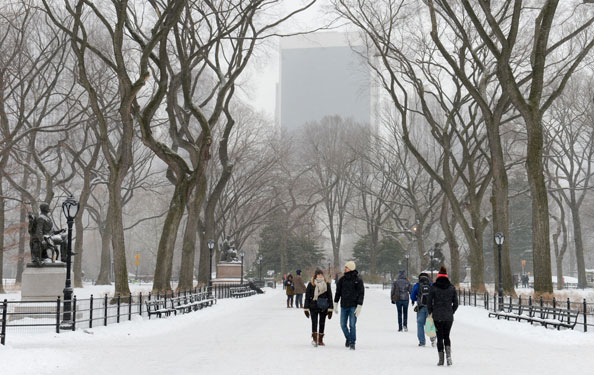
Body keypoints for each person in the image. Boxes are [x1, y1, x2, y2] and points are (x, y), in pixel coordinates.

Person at [427, 266, 458, 366]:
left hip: (437, 315)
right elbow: (456, 303)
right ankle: (449, 356)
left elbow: (429, 302)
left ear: (438, 277)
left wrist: (431, 311)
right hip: (448, 316)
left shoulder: (434, 287)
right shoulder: (451, 288)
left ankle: (441, 360)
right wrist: (451, 311)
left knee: (439, 337)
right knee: (447, 336)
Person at [334, 260, 364, 350]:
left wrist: (359, 305)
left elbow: (361, 293)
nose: (345, 268)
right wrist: (335, 302)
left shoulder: (358, 280)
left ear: (350, 268)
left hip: (353, 306)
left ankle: (352, 342)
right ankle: (348, 338)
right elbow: (338, 292)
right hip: (344, 305)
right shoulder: (342, 280)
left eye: (346, 267)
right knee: (343, 324)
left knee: (352, 325)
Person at [304, 269, 333, 346]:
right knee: (314, 322)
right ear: (315, 275)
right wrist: (306, 308)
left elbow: (330, 296)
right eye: (318, 274)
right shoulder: (311, 284)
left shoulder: (326, 284)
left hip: (323, 306)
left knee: (322, 323)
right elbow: (307, 296)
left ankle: (320, 339)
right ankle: (314, 339)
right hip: (313, 306)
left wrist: (330, 309)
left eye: (321, 274)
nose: (320, 275)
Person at [411, 272, 435, 347]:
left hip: (420, 307)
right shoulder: (431, 285)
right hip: (430, 307)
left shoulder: (417, 285)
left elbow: (412, 297)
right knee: (430, 323)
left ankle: (422, 341)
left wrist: (417, 298)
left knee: (420, 324)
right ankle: (433, 339)